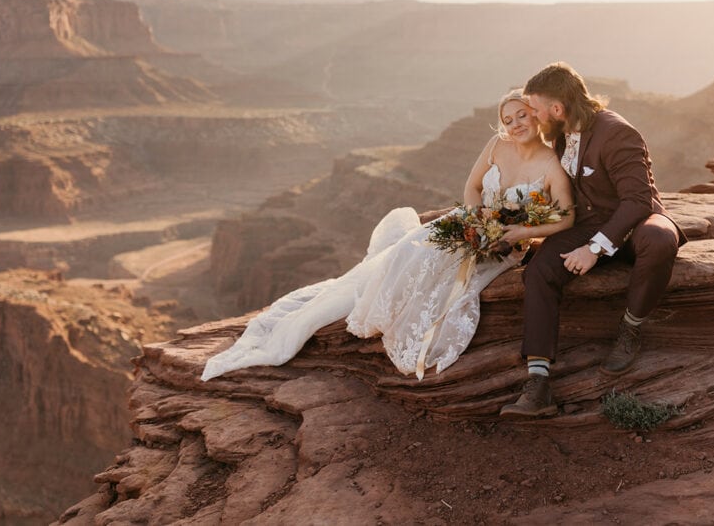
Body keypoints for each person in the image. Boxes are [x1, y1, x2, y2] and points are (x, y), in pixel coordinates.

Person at [201, 89, 574, 382]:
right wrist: (476, 219)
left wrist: (520, 231)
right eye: (508, 119)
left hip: (502, 245)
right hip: (469, 224)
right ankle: (377, 309)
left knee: (439, 279)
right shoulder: (496, 146)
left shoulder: (551, 164)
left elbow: (567, 217)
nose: (515, 124)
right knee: (408, 251)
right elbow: (472, 187)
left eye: (521, 115)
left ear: (536, 115)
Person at [500, 62, 687, 419]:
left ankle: (630, 329)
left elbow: (637, 200)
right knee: (539, 271)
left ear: (557, 109)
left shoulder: (617, 133)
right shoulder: (556, 134)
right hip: (584, 223)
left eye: (536, 109)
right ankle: (538, 384)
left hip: (632, 221)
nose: (533, 118)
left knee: (661, 240)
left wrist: (594, 249)